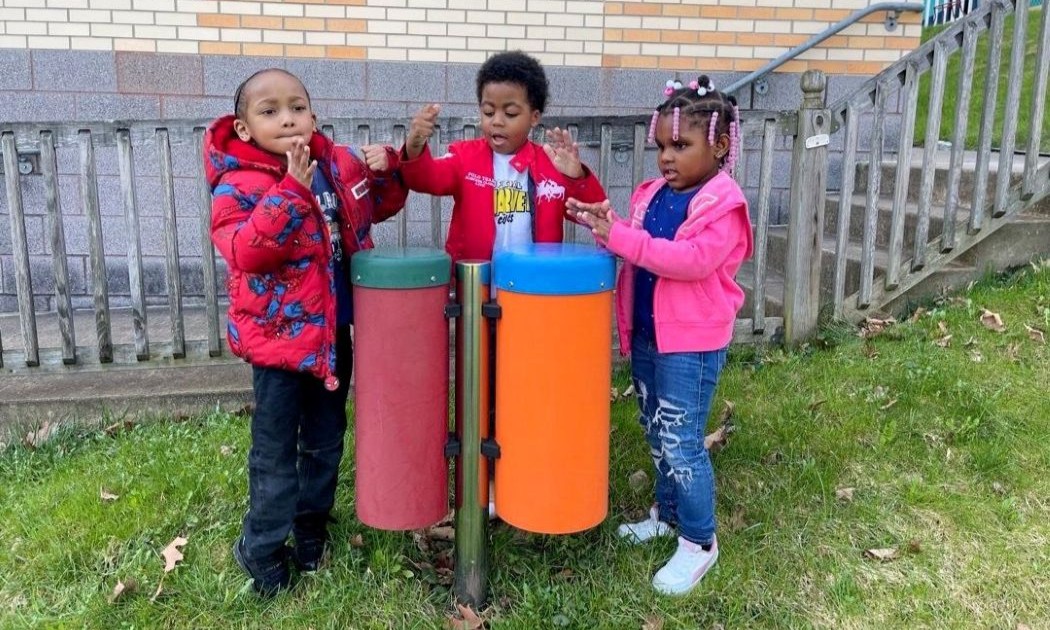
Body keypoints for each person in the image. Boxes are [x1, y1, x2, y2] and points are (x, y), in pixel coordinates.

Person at [204, 68, 407, 597]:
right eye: (269, 111)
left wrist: (390, 167)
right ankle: (262, 546)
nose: (287, 118)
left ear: (313, 116)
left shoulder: (333, 166)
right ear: (244, 128)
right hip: (278, 346)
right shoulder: (237, 183)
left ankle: (311, 526)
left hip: (332, 335)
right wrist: (291, 190)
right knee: (274, 452)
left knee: (324, 440)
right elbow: (248, 252)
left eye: (297, 107)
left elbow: (377, 204)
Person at [568, 75, 753, 596]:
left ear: (720, 146)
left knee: (681, 440)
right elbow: (637, 244)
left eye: (681, 145)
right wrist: (603, 225)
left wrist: (623, 238)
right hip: (650, 335)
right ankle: (667, 516)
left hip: (691, 346)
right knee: (656, 430)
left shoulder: (722, 205)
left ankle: (699, 540)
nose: (667, 157)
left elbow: (690, 261)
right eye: (662, 146)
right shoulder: (653, 195)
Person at [400, 50, 607, 263]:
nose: (497, 121)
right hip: (475, 280)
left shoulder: (551, 165)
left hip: (534, 279)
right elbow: (423, 178)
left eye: (510, 114)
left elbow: (595, 214)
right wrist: (415, 144)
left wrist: (577, 178)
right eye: (488, 112)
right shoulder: (464, 158)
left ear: (534, 117)